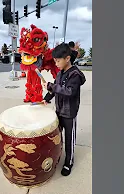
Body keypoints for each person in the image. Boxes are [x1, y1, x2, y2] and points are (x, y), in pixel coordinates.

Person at [41, 43, 86, 176]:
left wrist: (51, 86)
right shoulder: (60, 74)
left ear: (67, 58)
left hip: (70, 114)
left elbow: (69, 91)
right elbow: (55, 87)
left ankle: (69, 162)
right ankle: (58, 154)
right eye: (54, 61)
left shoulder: (75, 75)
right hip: (59, 111)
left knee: (69, 140)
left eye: (58, 60)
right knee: (57, 137)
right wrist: (47, 97)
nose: (56, 64)